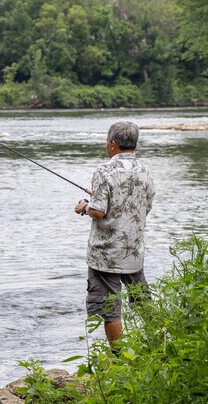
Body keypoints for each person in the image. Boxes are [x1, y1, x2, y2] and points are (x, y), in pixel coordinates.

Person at [74, 121, 154, 351]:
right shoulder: (144, 171)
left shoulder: (104, 171)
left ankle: (119, 358)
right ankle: (159, 343)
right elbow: (144, 206)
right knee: (141, 299)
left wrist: (84, 206)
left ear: (112, 143)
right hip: (134, 249)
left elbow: (99, 211)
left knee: (110, 308)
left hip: (106, 254)